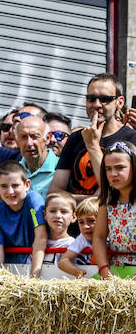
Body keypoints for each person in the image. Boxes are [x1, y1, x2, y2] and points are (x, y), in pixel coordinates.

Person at [54, 74, 136, 197]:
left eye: (105, 99)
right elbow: (55, 192)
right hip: (78, 216)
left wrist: (92, 146)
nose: (97, 104)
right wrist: (91, 201)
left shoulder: (131, 138)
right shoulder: (76, 138)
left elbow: (112, 194)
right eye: (91, 98)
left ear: (119, 102)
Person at [0, 160, 46, 276]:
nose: (10, 191)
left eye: (15, 185)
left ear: (27, 185)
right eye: (4, 186)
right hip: (11, 267)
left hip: (38, 263)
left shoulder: (34, 201)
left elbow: (41, 237)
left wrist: (34, 276)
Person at [94, 142, 136, 279]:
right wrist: (104, 268)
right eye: (108, 169)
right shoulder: (107, 202)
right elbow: (99, 237)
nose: (113, 174)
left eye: (120, 167)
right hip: (115, 270)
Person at [12, 114, 59, 198]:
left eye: (34, 137)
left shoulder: (62, 169)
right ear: (17, 140)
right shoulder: (14, 171)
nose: (29, 143)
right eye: (23, 137)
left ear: (47, 138)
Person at [59, 196, 100, 277]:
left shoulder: (112, 237)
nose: (85, 226)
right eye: (81, 222)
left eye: (91, 221)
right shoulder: (82, 239)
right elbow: (63, 262)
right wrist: (77, 271)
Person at [43, 191, 76, 262]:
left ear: (73, 217)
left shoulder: (75, 245)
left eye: (64, 211)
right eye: (52, 211)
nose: (58, 216)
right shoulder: (38, 244)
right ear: (45, 215)